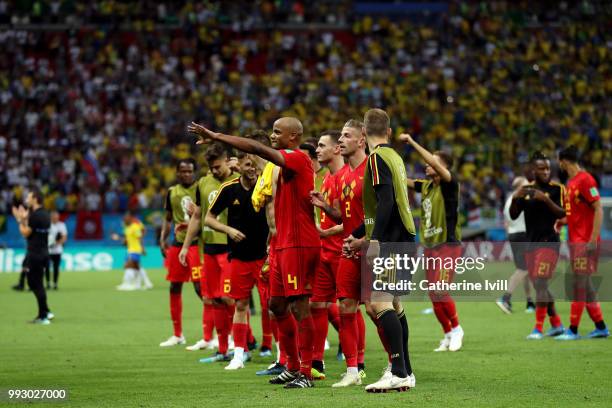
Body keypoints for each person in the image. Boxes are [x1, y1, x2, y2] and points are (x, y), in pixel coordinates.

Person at [188, 117, 321, 389]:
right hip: (281, 244)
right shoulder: (275, 168)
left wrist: (218, 136)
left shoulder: (297, 159)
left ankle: (307, 372)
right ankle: (292, 366)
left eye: (277, 132)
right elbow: (258, 157)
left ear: (293, 137)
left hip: (298, 243)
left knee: (300, 305)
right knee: (276, 305)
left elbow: (257, 149)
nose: (272, 136)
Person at [348, 109, 416, 392]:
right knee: (395, 305)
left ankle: (398, 370)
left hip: (391, 240)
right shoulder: (395, 157)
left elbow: (386, 200)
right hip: (404, 238)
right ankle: (406, 372)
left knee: (379, 303)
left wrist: (374, 240)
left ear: (364, 134)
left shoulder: (375, 158)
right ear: (388, 132)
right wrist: (358, 236)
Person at [311, 120, 368, 387]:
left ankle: (397, 366)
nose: (342, 140)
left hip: (372, 249)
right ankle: (353, 369)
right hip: (346, 250)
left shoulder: (372, 170)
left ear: (361, 140)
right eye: (341, 136)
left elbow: (379, 214)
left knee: (379, 309)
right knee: (345, 306)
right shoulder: (339, 177)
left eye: (347, 136)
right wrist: (326, 207)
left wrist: (361, 238)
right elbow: (345, 217)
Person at [205, 152, 269, 369]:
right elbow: (209, 218)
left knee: (273, 306)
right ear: (238, 165)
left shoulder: (265, 185)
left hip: (265, 257)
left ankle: (282, 356)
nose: (251, 168)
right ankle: (239, 355)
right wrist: (228, 230)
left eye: (254, 164)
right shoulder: (229, 189)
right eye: (247, 164)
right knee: (240, 304)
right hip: (239, 257)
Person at [402, 133, 464, 352]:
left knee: (441, 289)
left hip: (448, 245)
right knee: (433, 293)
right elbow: (403, 180)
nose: (427, 164)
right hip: (429, 246)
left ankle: (457, 329)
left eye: (433, 161)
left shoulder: (449, 184)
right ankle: (447, 333)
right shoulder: (426, 186)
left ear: (443, 166)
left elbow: (438, 168)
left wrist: (411, 141)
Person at [180, 143, 240, 356]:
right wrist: (186, 246)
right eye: (212, 167)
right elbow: (197, 216)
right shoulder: (203, 183)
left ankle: (240, 343)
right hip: (209, 250)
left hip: (231, 248)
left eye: (218, 166)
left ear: (227, 160)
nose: (215, 171)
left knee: (230, 298)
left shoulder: (239, 180)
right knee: (214, 298)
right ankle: (222, 350)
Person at [509, 152, 565, 340]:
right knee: (540, 286)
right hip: (531, 244)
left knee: (541, 282)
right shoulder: (526, 192)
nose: (546, 171)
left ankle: (538, 328)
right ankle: (556, 323)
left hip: (549, 242)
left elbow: (562, 213)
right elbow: (514, 214)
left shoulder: (557, 189)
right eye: (541, 168)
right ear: (533, 170)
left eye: (548, 168)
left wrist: (546, 199)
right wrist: (516, 197)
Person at [556, 145, 608, 340]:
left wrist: (593, 238)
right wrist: (563, 221)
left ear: (564, 162)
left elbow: (598, 208)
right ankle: (601, 327)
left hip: (584, 242)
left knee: (578, 284)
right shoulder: (571, 183)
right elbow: (575, 214)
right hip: (575, 241)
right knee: (586, 286)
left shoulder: (586, 180)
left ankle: (573, 330)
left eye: (559, 161)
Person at [308, 130, 345, 380]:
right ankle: (317, 362)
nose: (317, 150)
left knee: (355, 308)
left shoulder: (346, 177)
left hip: (344, 251)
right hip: (325, 251)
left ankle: (359, 364)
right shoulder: (327, 179)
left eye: (321, 146)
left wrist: (326, 230)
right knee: (316, 304)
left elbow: (350, 220)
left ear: (336, 149)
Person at [159, 159, 204, 348]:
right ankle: (177, 335)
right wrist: (163, 238)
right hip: (178, 244)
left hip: (197, 244)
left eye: (189, 171)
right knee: (174, 287)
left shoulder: (201, 189)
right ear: (177, 173)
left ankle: (213, 334)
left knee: (201, 289)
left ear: (194, 172)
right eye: (183, 171)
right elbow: (168, 218)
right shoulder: (172, 192)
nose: (186, 174)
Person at [12, 188, 53, 324]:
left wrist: (19, 220)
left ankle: (43, 316)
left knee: (35, 284)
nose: (26, 200)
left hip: (35, 254)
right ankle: (46, 311)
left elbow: (25, 233)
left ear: (35, 199)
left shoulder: (35, 215)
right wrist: (24, 219)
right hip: (44, 252)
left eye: (28, 197)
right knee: (37, 283)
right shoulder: (46, 214)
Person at [497, 177, 535, 314]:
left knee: (525, 270)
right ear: (519, 187)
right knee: (524, 269)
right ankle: (505, 298)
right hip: (523, 235)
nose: (529, 187)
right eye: (526, 185)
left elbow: (506, 223)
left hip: (515, 235)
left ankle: (530, 301)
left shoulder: (509, 200)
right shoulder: (523, 198)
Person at [112, 212, 153, 291]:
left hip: (135, 250)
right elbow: (126, 242)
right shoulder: (126, 228)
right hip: (130, 250)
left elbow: (140, 238)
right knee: (137, 267)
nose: (124, 221)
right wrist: (118, 238)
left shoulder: (135, 227)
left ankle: (129, 284)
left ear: (130, 219)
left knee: (128, 266)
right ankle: (143, 284)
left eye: (125, 219)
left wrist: (143, 249)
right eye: (123, 220)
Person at [46, 211, 67, 290]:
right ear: (51, 217)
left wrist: (56, 243)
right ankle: (48, 283)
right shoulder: (47, 225)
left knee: (56, 267)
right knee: (47, 267)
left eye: (56, 217)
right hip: (47, 250)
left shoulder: (62, 225)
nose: (55, 218)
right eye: (53, 217)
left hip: (58, 250)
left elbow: (64, 237)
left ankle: (55, 283)